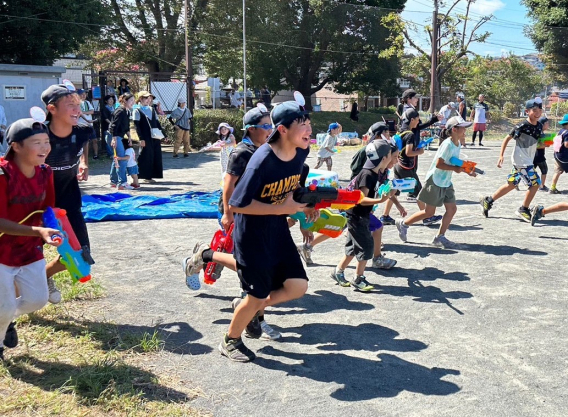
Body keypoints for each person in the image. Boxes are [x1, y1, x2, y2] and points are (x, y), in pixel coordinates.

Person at [186, 98, 313, 362]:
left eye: (309, 122)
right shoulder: (260, 160)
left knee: (297, 286)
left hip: (276, 230)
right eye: (302, 124)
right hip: (252, 234)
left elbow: (289, 188)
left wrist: (306, 206)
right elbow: (238, 203)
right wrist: (280, 208)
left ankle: (246, 307)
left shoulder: (301, 152)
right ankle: (230, 340)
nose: (309, 128)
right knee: (256, 294)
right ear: (283, 130)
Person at [0, 118, 62, 362]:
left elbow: (48, 210)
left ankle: (5, 319)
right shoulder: (3, 175)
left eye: (47, 142)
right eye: (36, 142)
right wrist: (39, 232)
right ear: (16, 146)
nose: (45, 148)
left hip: (29, 249)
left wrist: (57, 230)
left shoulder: (46, 172)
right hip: (2, 252)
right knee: (3, 307)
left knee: (37, 299)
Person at [42, 84, 92, 304]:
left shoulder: (82, 131)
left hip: (69, 200)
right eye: (69, 104)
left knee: (81, 254)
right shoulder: (37, 134)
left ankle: (44, 277)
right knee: (24, 255)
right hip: (37, 203)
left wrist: (83, 162)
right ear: (52, 108)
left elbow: (83, 146)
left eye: (77, 103)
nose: (76, 108)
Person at [395, 116, 476, 248]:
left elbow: (454, 161)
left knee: (452, 209)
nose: (465, 130)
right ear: (454, 129)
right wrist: (456, 169)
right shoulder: (447, 145)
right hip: (436, 180)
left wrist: (467, 169)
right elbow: (439, 164)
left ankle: (440, 237)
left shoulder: (458, 143)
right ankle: (404, 224)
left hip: (446, 181)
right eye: (463, 127)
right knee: (429, 213)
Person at [331, 140, 393, 292]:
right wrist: (380, 200)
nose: (391, 159)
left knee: (353, 247)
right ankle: (358, 278)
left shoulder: (376, 173)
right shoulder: (367, 175)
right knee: (366, 247)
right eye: (391, 156)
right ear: (384, 158)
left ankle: (337, 272)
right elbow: (361, 198)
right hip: (357, 216)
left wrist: (390, 191)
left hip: (359, 215)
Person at [480, 99, 543, 222]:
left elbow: (538, 142)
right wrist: (501, 155)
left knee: (511, 184)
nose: (537, 113)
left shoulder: (539, 126)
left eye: (540, 110)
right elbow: (507, 138)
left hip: (527, 160)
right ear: (527, 111)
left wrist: (546, 143)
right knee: (535, 184)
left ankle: (488, 201)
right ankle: (523, 209)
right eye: (534, 110)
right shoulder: (522, 126)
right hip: (521, 161)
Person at [380, 108, 442, 226]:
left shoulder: (402, 132)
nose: (418, 122)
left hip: (399, 164)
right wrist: (419, 151)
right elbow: (409, 152)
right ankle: (426, 216)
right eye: (418, 119)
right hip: (407, 167)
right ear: (412, 119)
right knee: (419, 191)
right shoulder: (410, 134)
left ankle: (385, 215)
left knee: (394, 190)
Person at [134, 91, 164, 184]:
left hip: (154, 136)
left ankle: (151, 175)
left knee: (155, 155)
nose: (148, 100)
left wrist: (163, 134)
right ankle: (143, 175)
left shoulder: (152, 109)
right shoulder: (137, 110)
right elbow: (136, 126)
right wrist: (141, 138)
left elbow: (157, 123)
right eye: (146, 98)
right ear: (140, 99)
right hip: (145, 136)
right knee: (145, 155)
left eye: (149, 98)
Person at [108, 93, 135, 190]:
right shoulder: (120, 111)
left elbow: (126, 126)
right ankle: (122, 183)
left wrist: (129, 137)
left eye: (133, 100)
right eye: (131, 100)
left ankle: (113, 181)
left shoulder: (127, 111)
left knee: (117, 158)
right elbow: (113, 126)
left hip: (120, 136)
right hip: (115, 137)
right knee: (122, 159)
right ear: (125, 101)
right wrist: (114, 139)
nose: (133, 102)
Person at [548, 114, 568, 194]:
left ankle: (552, 188)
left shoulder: (561, 131)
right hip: (564, 157)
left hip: (557, 155)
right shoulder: (567, 133)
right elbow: (566, 144)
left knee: (557, 172)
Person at [77, 89, 98, 160]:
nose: (83, 96)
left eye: (84, 94)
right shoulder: (76, 103)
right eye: (81, 94)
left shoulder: (87, 102)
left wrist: (84, 113)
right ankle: (84, 156)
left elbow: (92, 111)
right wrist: (84, 113)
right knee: (84, 142)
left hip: (89, 125)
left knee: (94, 140)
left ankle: (95, 155)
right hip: (81, 125)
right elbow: (78, 113)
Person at [534, 116, 550, 191]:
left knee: (527, 170)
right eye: (547, 123)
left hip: (535, 155)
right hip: (538, 156)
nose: (548, 124)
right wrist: (546, 145)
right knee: (544, 170)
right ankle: (542, 186)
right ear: (543, 124)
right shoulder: (540, 132)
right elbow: (536, 145)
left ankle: (515, 183)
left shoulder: (539, 131)